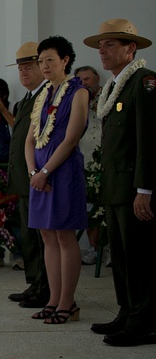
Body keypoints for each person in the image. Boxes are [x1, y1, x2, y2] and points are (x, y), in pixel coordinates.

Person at [84, 19, 156, 346]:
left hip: (134, 190)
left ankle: (144, 321)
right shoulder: (115, 86)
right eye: (100, 45)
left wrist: (145, 189)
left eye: (109, 44)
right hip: (114, 188)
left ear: (130, 48)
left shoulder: (143, 82)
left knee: (139, 256)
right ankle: (127, 312)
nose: (102, 50)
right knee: (122, 257)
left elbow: (148, 140)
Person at [25, 36, 89, 324]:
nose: (44, 65)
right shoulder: (42, 96)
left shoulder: (78, 93)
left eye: (50, 59)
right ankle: (52, 299)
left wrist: (46, 172)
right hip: (39, 175)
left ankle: (68, 302)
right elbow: (29, 140)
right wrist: (32, 173)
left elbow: (71, 138)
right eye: (41, 61)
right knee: (46, 235)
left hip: (61, 172)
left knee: (64, 235)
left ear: (65, 60)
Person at [6, 42, 49, 308]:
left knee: (41, 238)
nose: (23, 72)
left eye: (29, 66)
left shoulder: (46, 96)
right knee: (28, 235)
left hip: (36, 177)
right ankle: (35, 283)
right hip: (24, 178)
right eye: (20, 67)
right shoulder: (25, 99)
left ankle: (45, 286)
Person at [74, 65, 103, 264]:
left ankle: (108, 250)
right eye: (81, 80)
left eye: (88, 79)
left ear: (97, 79)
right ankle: (94, 249)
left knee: (105, 210)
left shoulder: (109, 96)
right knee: (89, 210)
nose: (85, 83)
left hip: (105, 162)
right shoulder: (75, 102)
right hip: (83, 162)